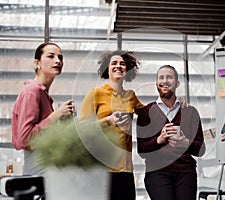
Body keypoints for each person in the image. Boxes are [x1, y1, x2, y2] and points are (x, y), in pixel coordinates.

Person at [79, 50, 143, 200]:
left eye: (122, 64)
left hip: (125, 170)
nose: (118, 66)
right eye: (114, 63)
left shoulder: (131, 96)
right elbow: (82, 129)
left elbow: (150, 114)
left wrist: (173, 103)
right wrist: (108, 121)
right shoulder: (95, 94)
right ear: (106, 69)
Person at [136, 65, 204, 200]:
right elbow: (142, 151)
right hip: (157, 172)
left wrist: (186, 143)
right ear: (156, 83)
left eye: (169, 77)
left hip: (185, 172)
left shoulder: (190, 112)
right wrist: (159, 140)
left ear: (177, 83)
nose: (165, 81)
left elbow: (201, 150)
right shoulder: (145, 113)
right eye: (161, 77)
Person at [11, 42, 75, 175]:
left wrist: (63, 120)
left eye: (60, 58)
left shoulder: (43, 94)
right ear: (37, 63)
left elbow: (43, 136)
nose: (58, 61)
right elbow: (25, 138)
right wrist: (55, 116)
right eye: (51, 56)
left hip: (46, 168)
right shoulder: (32, 91)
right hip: (38, 171)